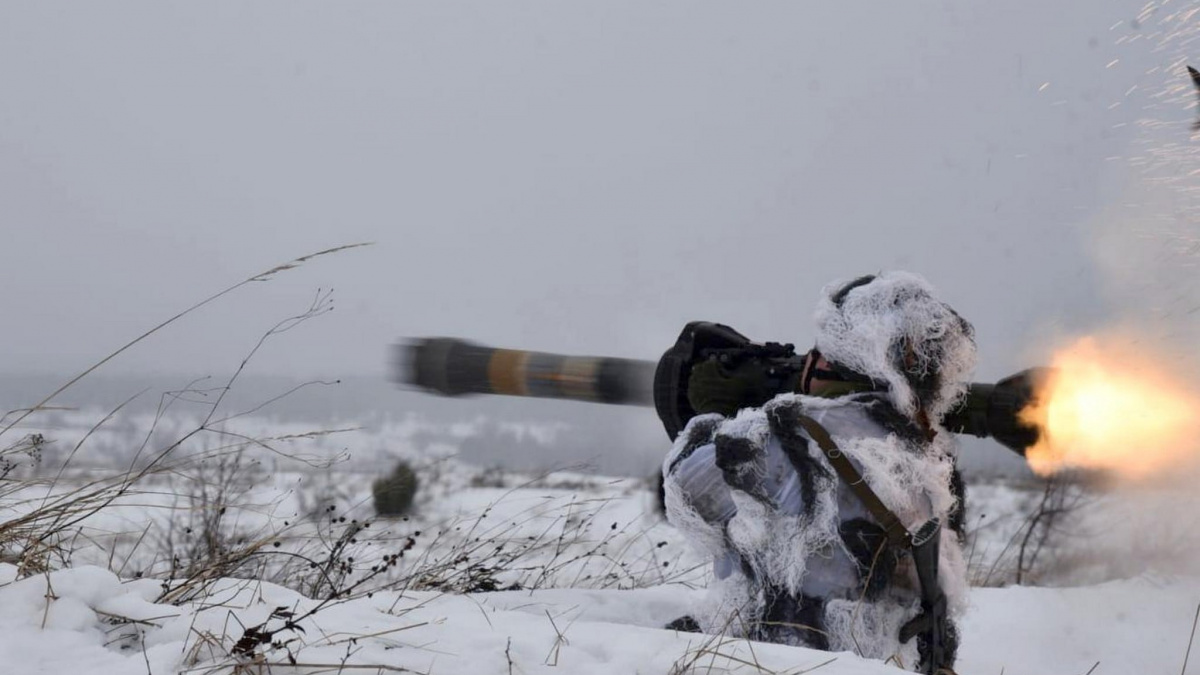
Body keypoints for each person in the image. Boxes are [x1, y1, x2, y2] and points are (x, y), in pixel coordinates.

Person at [661, 271, 975, 673]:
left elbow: (689, 494)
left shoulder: (786, 436)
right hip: (889, 660)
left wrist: (716, 421)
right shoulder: (923, 450)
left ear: (834, 357)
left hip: (791, 657)